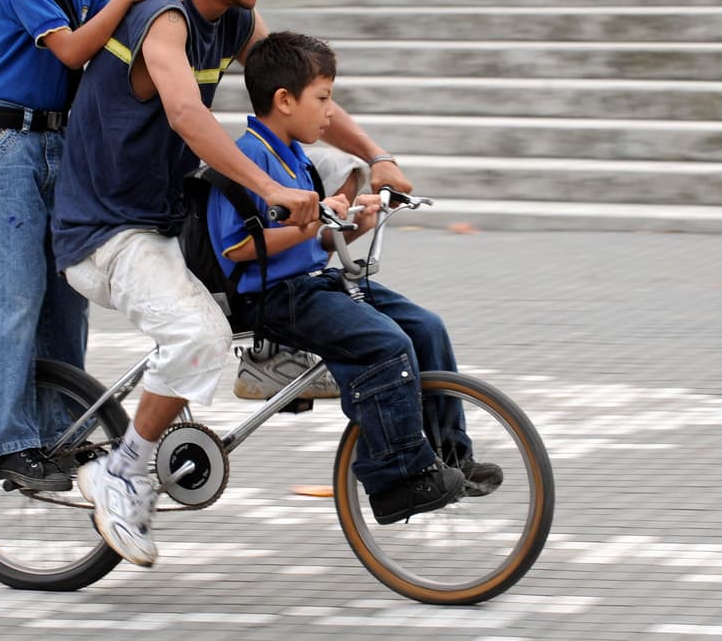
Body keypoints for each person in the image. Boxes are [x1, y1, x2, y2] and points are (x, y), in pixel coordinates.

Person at [51, 0, 324, 568]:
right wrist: (271, 188)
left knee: (267, 268)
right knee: (198, 334)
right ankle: (122, 469)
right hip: (105, 231)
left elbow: (300, 84)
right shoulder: (162, 16)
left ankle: (263, 354)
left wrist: (376, 156)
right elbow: (186, 115)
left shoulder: (234, 20)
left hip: (165, 217)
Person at [208, 31, 503, 529]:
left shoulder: (296, 156)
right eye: (322, 98)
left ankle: (451, 457)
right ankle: (396, 479)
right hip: (272, 296)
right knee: (385, 344)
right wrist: (312, 221)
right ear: (284, 101)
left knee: (425, 328)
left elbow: (313, 239)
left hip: (313, 281)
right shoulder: (248, 159)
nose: (330, 113)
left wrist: (353, 222)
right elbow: (235, 247)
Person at [0, 0, 182, 492]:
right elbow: (71, 51)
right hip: (4, 148)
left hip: (61, 143)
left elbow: (113, 57)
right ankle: (6, 445)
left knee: (67, 301)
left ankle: (57, 439)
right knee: (13, 299)